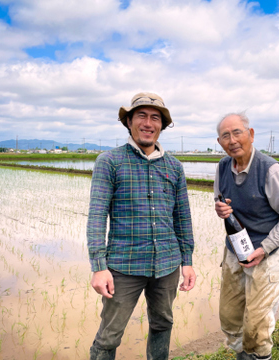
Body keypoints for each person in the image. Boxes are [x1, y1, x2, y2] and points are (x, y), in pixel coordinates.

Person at [87, 92, 196, 360]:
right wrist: (99, 267)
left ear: (162, 125)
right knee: (109, 334)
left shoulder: (174, 167)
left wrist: (188, 260)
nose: (148, 123)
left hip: (167, 264)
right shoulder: (110, 161)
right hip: (124, 265)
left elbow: (182, 217)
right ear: (129, 122)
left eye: (155, 118)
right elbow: (97, 215)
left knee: (163, 324)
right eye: (142, 116)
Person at [214, 112, 279, 360]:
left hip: (266, 252)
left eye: (237, 132)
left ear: (250, 135)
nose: (232, 140)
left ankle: (259, 355)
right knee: (230, 318)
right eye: (225, 135)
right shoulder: (222, 167)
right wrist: (221, 208)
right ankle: (243, 355)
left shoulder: (269, 170)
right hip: (235, 251)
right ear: (219, 141)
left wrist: (264, 249)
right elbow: (219, 201)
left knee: (257, 325)